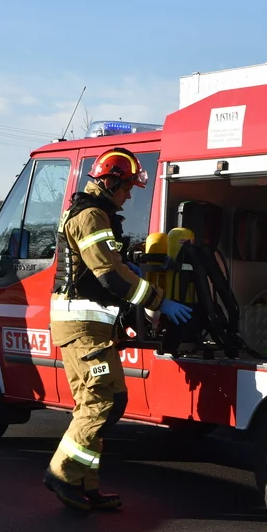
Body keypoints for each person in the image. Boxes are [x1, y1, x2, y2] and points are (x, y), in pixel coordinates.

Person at [44, 147, 193, 512]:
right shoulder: (92, 216)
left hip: (87, 327)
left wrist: (134, 268)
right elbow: (108, 276)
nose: (129, 196)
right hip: (83, 327)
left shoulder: (96, 213)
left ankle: (83, 484)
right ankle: (61, 473)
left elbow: (112, 264)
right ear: (110, 182)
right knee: (104, 400)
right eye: (127, 188)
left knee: (96, 404)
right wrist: (159, 300)